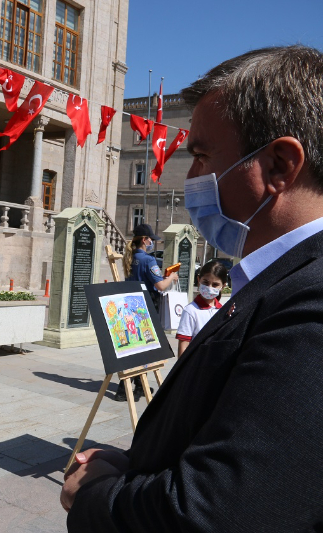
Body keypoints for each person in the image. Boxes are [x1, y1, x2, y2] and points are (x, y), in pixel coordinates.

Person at [61, 45, 323, 531]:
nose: (191, 177)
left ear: (280, 166)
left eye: (202, 155)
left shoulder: (312, 299)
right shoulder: (282, 279)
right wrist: (136, 470)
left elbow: (222, 510)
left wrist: (97, 496)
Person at [113, 223, 178, 401]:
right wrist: (171, 277)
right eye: (150, 239)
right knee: (145, 346)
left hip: (131, 305)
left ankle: (139, 387)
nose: (151, 242)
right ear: (144, 240)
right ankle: (123, 389)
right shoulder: (148, 260)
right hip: (147, 307)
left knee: (136, 345)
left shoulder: (130, 257)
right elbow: (160, 285)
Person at [175, 260, 228, 357]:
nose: (209, 287)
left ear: (223, 286)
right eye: (206, 282)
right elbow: (184, 345)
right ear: (199, 280)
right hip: (196, 365)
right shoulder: (191, 310)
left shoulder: (223, 310)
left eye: (215, 285)